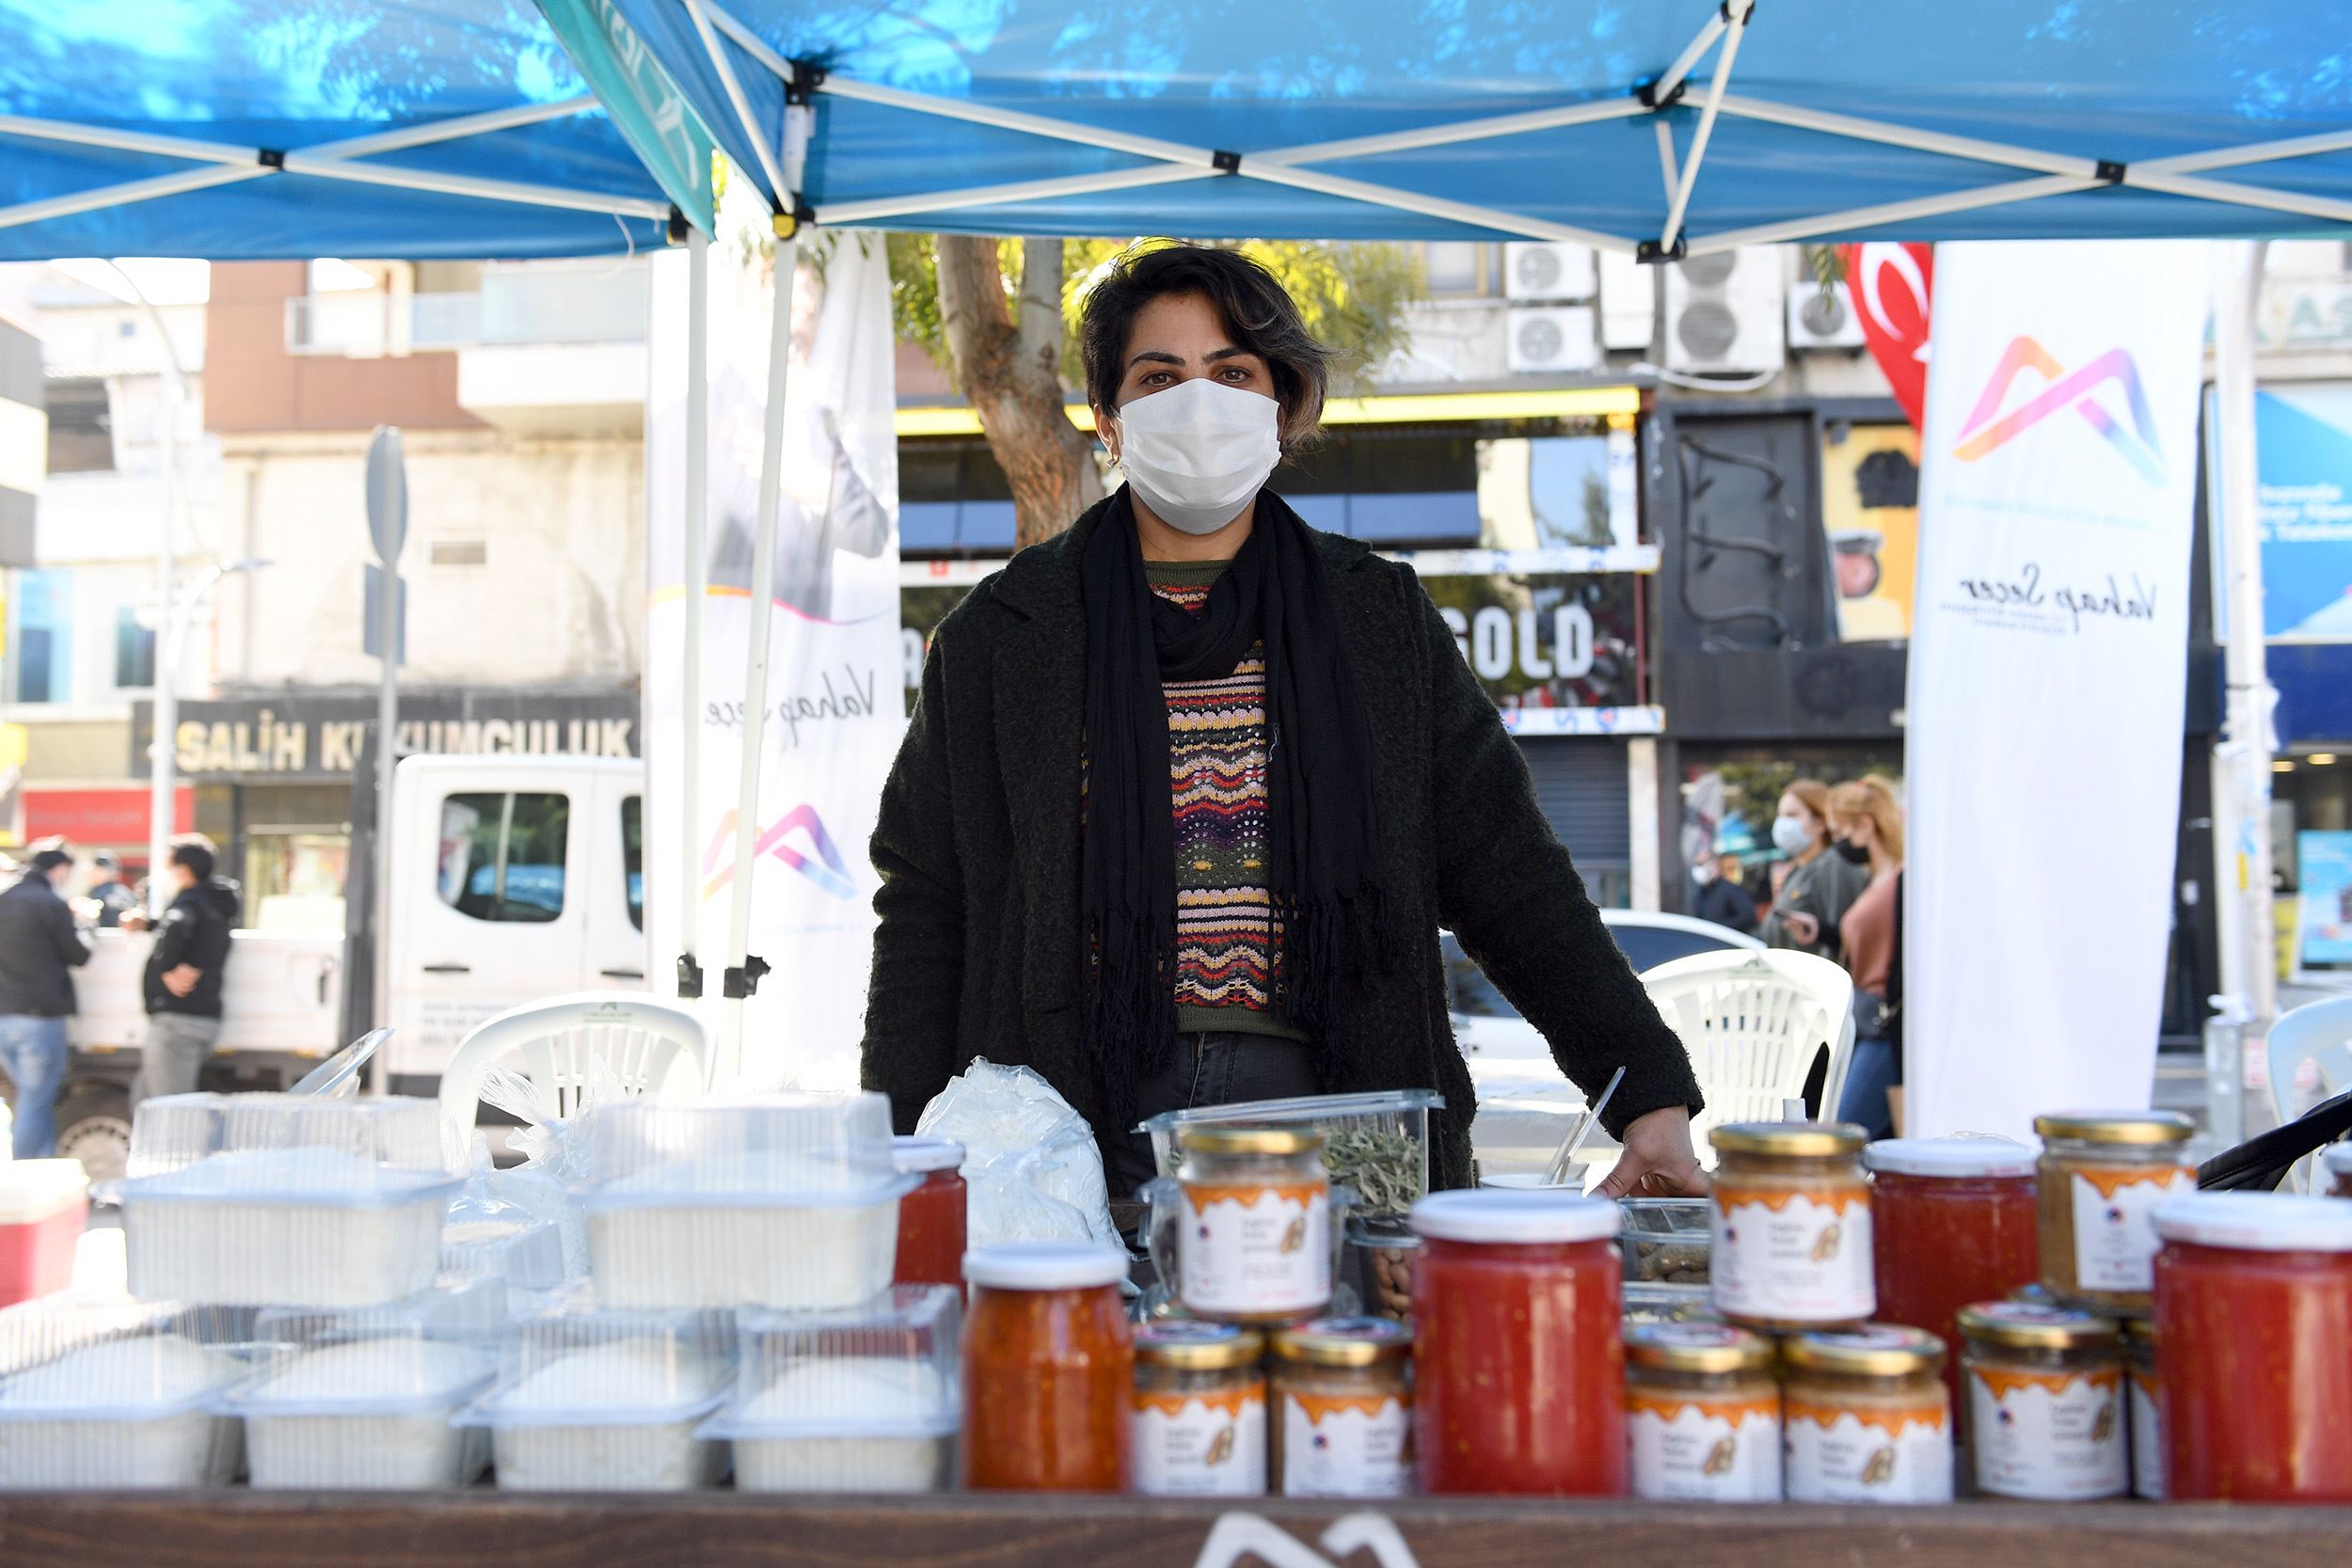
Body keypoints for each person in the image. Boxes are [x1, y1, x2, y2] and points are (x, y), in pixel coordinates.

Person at [862, 243, 1706, 1203]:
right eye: (1159, 377)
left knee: (1345, 1310)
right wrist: (896, 1155)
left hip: (1342, 1105)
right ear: (1107, 418)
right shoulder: (1003, 636)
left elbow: (1509, 871)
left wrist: (1645, 1088)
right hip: (1075, 1120)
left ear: (1280, 404)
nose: (1199, 401)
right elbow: (925, 904)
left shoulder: (1376, 616)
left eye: (1231, 372)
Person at [1826, 777, 1906, 1138]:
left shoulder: (1902, 880)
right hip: (1865, 1020)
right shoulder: (1875, 881)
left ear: (1866, 824)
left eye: (1840, 831)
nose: (1838, 841)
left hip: (1883, 1025)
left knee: (1841, 1136)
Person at [0, 845, 92, 1157]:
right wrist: (85, 924)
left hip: (5, 1015)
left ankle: (42, 1160)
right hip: (39, 1018)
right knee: (36, 1099)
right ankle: (26, 1167)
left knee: (29, 1097)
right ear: (60, 869)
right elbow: (79, 955)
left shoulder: (4, 899)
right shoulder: (50, 903)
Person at [131, 836, 233, 1109]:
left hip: (176, 1021)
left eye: (168, 865)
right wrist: (150, 924)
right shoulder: (214, 904)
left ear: (184, 870)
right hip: (196, 1017)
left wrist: (166, 968)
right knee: (145, 1104)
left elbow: (177, 924)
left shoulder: (187, 904)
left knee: (169, 1112)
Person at [1758, 779, 1869, 961]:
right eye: (1781, 815)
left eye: (1792, 815)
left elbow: (1844, 941)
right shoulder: (1799, 869)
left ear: (1820, 823)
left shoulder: (1833, 865)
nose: (1783, 823)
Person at [1691, 849, 1757, 934]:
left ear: (1715, 864)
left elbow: (1748, 916)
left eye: (1701, 864)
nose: (1699, 869)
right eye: (1697, 864)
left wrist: (1722, 928)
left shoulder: (1730, 890)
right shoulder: (1700, 894)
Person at [84, 850, 139, 927]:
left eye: (94, 870)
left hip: (103, 934)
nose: (90, 874)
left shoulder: (99, 893)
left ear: (101, 872)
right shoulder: (127, 893)